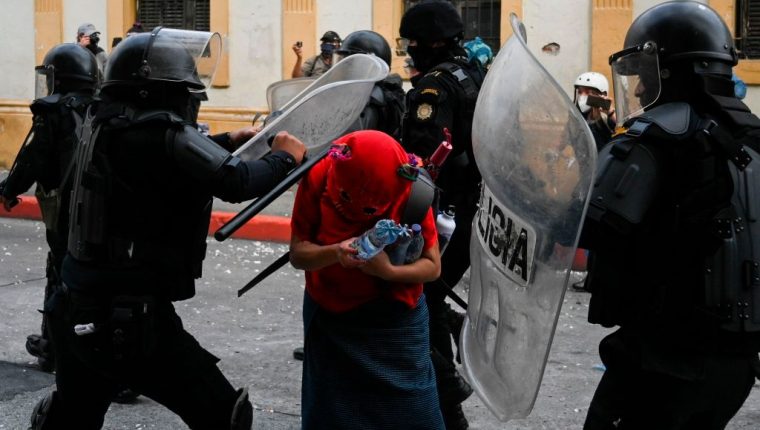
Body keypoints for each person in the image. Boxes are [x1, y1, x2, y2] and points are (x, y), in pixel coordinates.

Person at [28, 28, 306, 429]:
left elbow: (171, 158)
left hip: (77, 303)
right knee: (224, 415)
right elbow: (237, 181)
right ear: (154, 91)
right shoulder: (158, 132)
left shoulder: (105, 119)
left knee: (71, 418)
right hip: (127, 319)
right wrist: (285, 157)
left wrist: (229, 139)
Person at [580, 2, 760, 428]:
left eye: (643, 74)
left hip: (661, 361)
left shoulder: (651, 137)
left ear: (667, 72)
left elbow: (592, 226)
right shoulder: (753, 135)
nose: (639, 90)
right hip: (735, 366)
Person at [289, 129, 444, 429]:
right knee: (332, 415)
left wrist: (387, 272)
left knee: (415, 415)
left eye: (371, 208)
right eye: (344, 198)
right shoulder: (320, 173)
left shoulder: (414, 189)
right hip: (331, 315)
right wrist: (336, 252)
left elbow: (432, 266)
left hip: (396, 320)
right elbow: (298, 253)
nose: (355, 210)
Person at [398, 1, 486, 428]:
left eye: (413, 43)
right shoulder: (474, 74)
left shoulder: (434, 87)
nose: (411, 51)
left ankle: (446, 394)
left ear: (431, 42)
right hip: (473, 210)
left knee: (417, 298)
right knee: (430, 296)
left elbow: (421, 163)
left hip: (443, 214)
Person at [0, 43, 99, 373]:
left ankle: (54, 348)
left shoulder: (52, 111)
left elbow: (33, 158)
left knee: (60, 273)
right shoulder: (101, 107)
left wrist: (9, 190)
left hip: (66, 210)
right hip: (98, 207)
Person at [570, 71, 616, 293]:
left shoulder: (607, 120)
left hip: (604, 185)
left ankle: (596, 277)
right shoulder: (578, 119)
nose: (582, 96)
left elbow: (617, 129)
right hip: (584, 182)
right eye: (580, 91)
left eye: (589, 92)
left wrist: (610, 112)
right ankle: (592, 276)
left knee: (598, 231)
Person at [334, 30, 406, 141]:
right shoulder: (364, 92)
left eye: (350, 62)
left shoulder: (369, 99)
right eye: (343, 60)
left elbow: (347, 143)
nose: (344, 67)